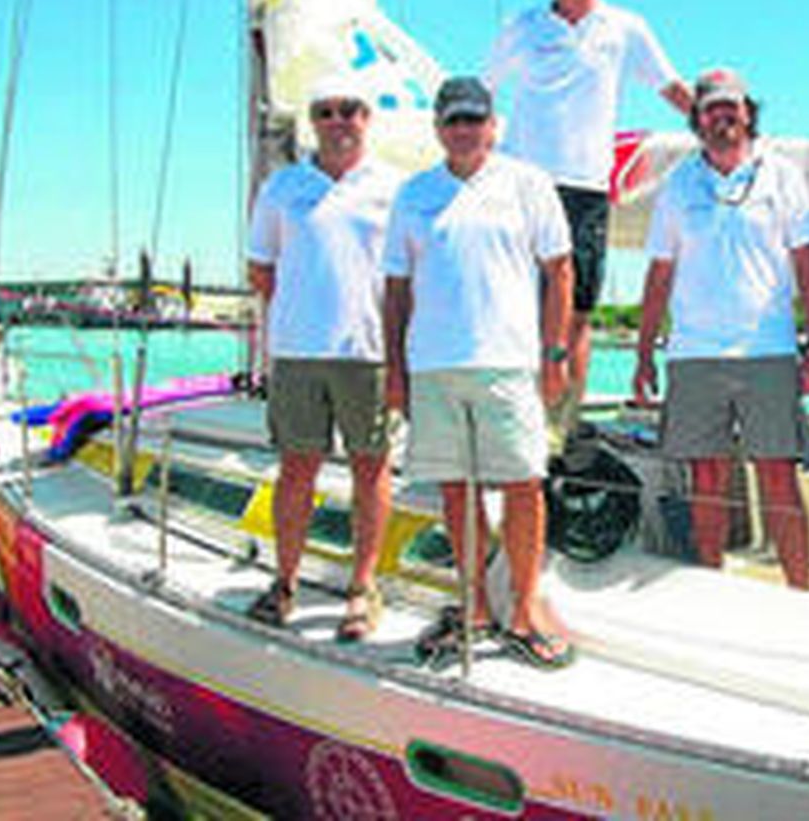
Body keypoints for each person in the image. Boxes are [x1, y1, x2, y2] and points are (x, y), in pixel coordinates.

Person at [382, 76, 576, 669]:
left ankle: (524, 608)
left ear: (493, 126)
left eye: (475, 120)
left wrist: (555, 354)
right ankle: (473, 608)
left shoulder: (528, 184)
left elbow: (560, 270)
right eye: (453, 121)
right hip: (434, 367)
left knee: (523, 486)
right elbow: (396, 290)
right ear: (439, 129)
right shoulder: (413, 194)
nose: (464, 131)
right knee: (456, 489)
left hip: (510, 365)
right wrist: (395, 370)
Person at [483, 0, 693, 440]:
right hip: (523, 186)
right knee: (516, 306)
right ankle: (511, 424)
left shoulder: (625, 29)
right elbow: (480, 92)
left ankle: (561, 428)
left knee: (577, 313)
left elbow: (671, 88)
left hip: (586, 188)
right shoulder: (524, 26)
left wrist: (719, 131)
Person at [632, 67, 809, 590]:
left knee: (778, 475)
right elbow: (659, 272)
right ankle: (711, 585)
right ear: (697, 119)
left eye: (731, 107)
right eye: (711, 108)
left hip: (768, 349)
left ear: (748, 114)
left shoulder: (782, 176)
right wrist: (644, 352)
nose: (722, 116)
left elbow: (805, 261)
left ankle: (799, 595)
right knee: (707, 478)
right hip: (693, 354)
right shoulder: (677, 185)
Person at [244, 73, 402, 641]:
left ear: (367, 117)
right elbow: (260, 268)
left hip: (368, 352)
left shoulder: (392, 188)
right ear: (314, 120)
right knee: (296, 471)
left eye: (350, 110)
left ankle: (362, 588)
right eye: (327, 111)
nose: (339, 120)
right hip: (297, 354)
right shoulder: (282, 187)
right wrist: (302, 311)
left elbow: (406, 276)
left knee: (370, 468)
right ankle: (284, 582)